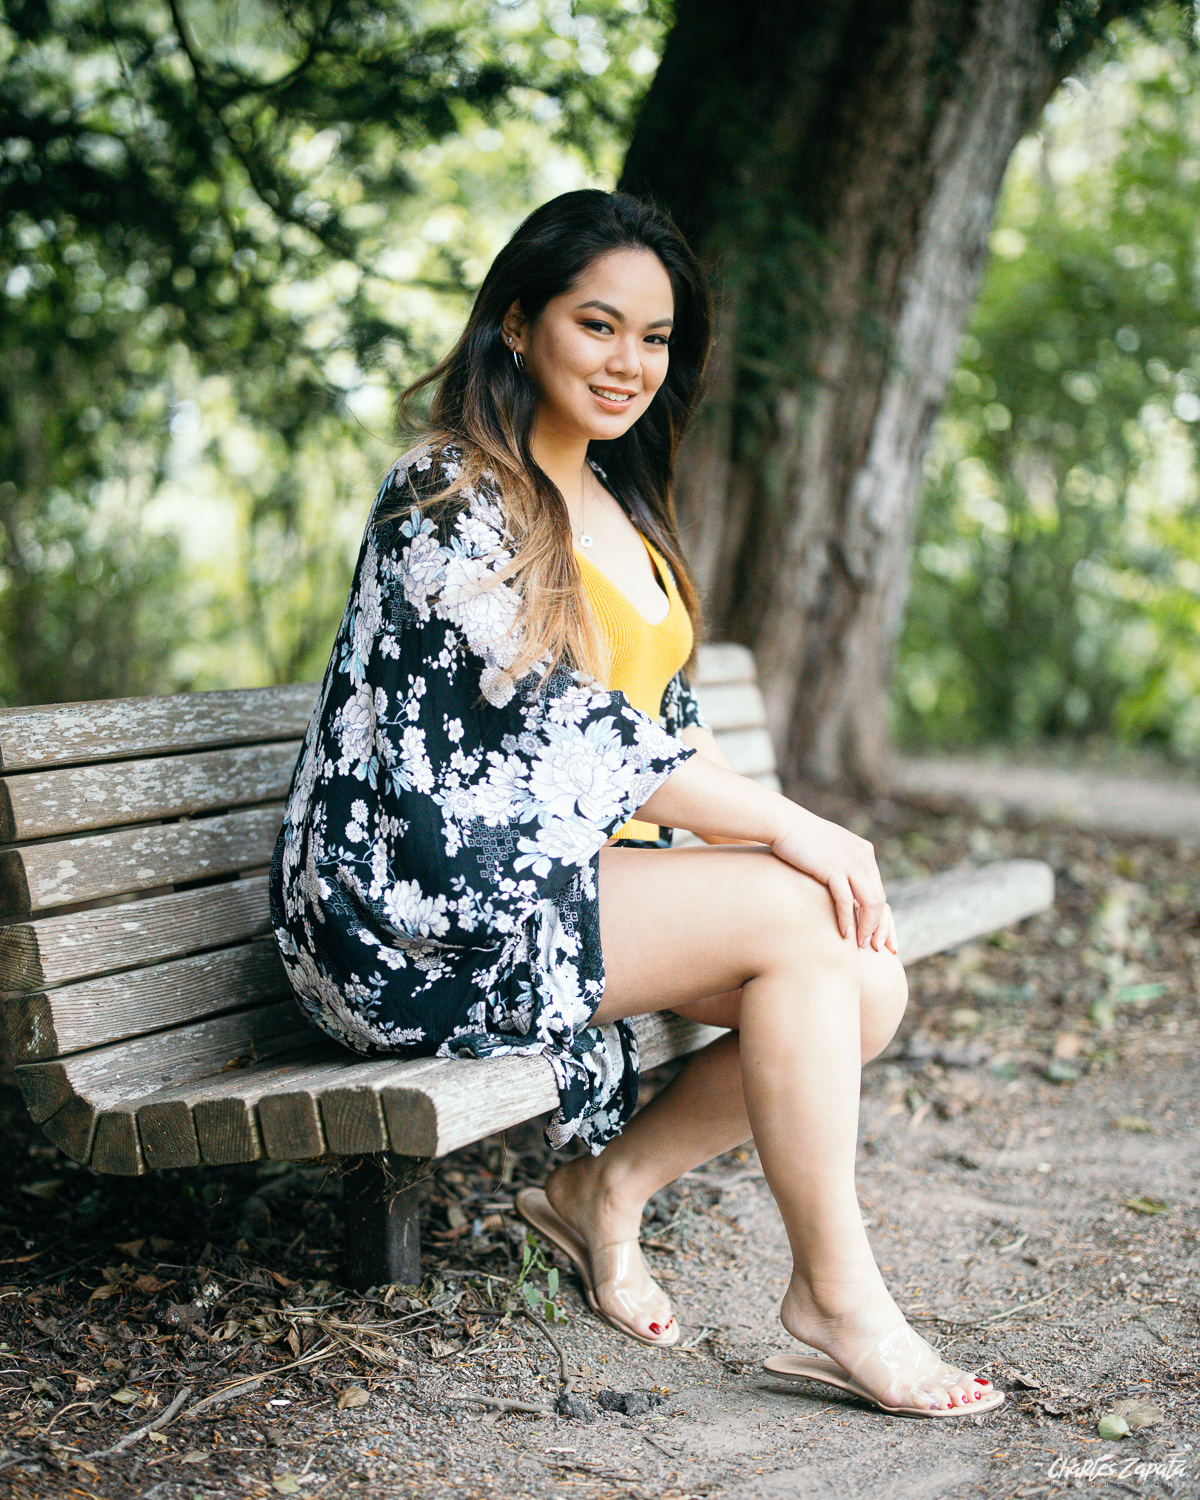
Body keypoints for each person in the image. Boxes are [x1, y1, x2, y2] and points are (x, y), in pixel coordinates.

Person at [269, 189, 1004, 1418]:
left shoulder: (617, 499)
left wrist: (771, 840)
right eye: (597, 324)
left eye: (655, 338)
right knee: (803, 917)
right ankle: (837, 1301)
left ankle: (602, 1188)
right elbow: (552, 724)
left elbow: (665, 724)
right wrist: (788, 827)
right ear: (518, 325)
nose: (629, 363)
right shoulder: (447, 493)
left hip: (555, 886)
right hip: (419, 916)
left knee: (865, 980)